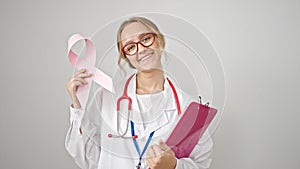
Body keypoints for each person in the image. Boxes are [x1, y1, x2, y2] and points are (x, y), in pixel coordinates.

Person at [65, 16, 213, 169]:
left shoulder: (191, 109)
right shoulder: (106, 98)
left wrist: (174, 165)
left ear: (160, 41)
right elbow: (88, 159)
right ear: (126, 57)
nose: (141, 49)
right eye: (130, 47)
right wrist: (78, 105)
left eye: (146, 39)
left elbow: (201, 164)